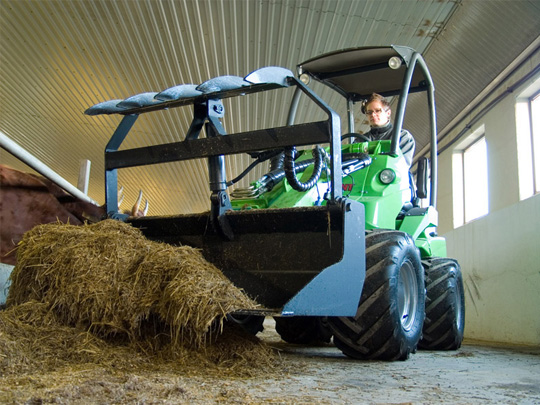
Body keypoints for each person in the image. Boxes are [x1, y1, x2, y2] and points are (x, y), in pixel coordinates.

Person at [360, 93, 415, 166]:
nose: (373, 115)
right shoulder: (360, 140)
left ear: (388, 113)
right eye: (369, 112)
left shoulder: (402, 136)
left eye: (377, 111)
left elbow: (402, 166)